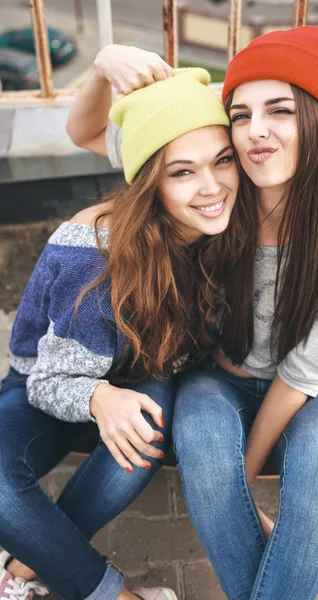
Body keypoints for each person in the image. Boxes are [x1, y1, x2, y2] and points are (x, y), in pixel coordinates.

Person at [65, 27, 318, 600]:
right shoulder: (215, 185)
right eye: (240, 114)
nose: (255, 130)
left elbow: (299, 379)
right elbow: (85, 130)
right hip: (212, 376)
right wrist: (102, 64)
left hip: (309, 391)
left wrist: (242, 477)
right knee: (207, 455)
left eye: (280, 110)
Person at [0, 68, 255, 600]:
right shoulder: (95, 259)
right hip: (48, 388)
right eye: (182, 172)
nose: (212, 187)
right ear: (149, 183)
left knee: (150, 416)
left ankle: (22, 566)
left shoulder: (220, 227)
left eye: (222, 160)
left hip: (140, 384)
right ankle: (113, 595)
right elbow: (44, 380)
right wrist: (97, 396)